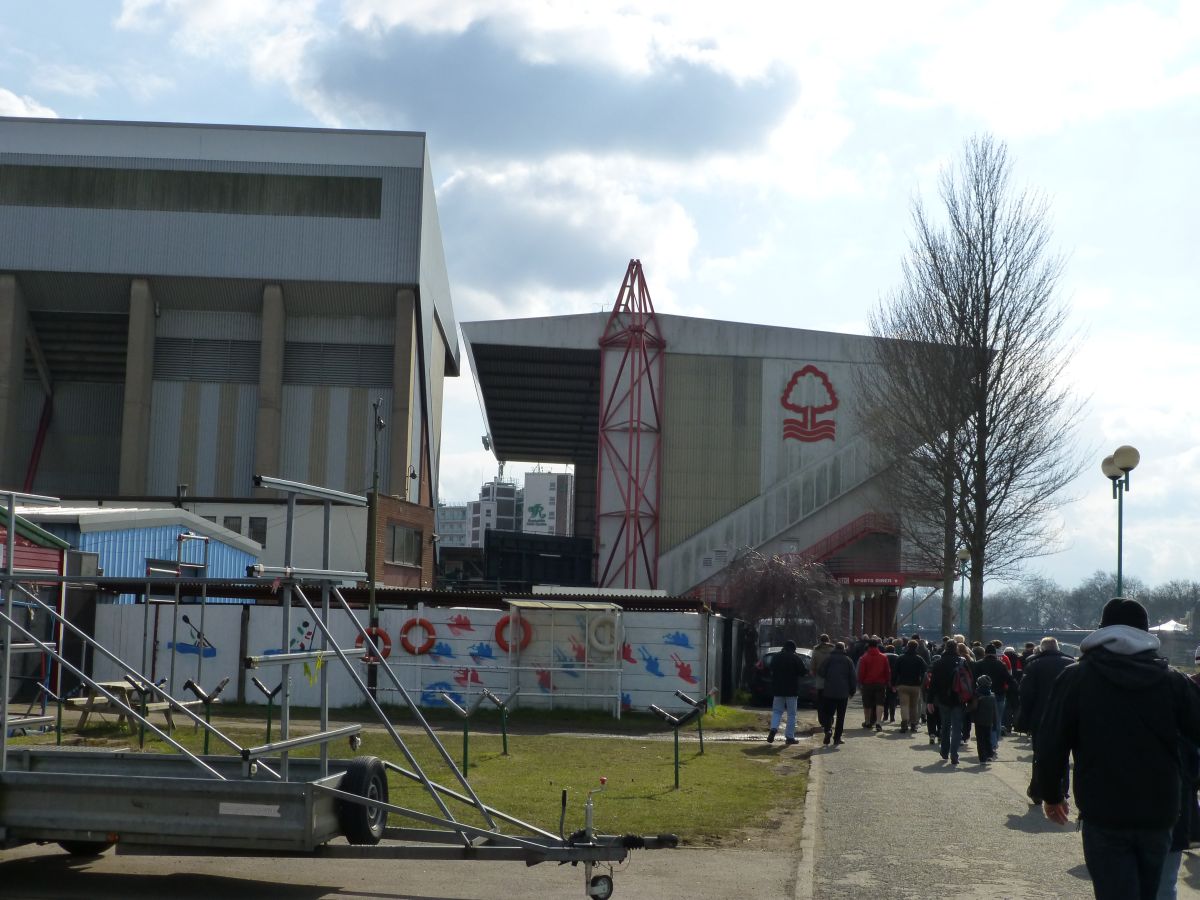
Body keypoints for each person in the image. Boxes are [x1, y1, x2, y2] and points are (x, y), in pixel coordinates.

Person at [1037, 598, 1200, 900]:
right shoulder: (1172, 681)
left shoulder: (1077, 677)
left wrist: (1051, 793)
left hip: (1104, 808)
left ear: (1102, 629)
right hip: (1159, 809)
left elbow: (1051, 740)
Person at [1018, 636, 1074, 801]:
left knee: (1040, 753)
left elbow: (1026, 693)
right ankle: (1063, 789)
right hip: (1066, 714)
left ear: (1042, 649)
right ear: (1057, 647)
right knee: (1064, 753)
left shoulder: (1034, 665)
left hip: (1040, 715)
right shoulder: (1070, 664)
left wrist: (1025, 716)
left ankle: (1037, 789)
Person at [928, 642, 972, 765]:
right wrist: (969, 699)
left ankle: (944, 751)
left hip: (943, 699)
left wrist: (930, 701)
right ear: (957, 648)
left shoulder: (938, 663)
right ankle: (954, 754)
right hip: (959, 699)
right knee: (957, 728)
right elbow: (969, 681)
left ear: (946, 648)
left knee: (945, 726)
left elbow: (933, 684)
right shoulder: (962, 661)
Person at [973, 644, 1013, 755]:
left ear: (985, 653)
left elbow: (973, 680)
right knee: (997, 720)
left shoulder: (978, 664)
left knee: (982, 721)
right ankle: (994, 744)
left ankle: (985, 744)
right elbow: (1009, 679)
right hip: (999, 694)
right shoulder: (1001, 664)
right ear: (995, 654)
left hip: (981, 697)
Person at [765, 640, 806, 746]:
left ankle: (773, 729)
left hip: (778, 689)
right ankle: (789, 737)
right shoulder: (795, 658)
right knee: (792, 714)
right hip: (792, 690)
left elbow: (770, 668)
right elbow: (803, 671)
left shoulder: (776, 657)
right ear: (793, 649)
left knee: (777, 711)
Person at [817, 641, 857, 746]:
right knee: (840, 716)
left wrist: (828, 678)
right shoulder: (848, 661)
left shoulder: (828, 659)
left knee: (828, 714)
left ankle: (828, 730)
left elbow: (821, 672)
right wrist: (852, 691)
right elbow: (852, 677)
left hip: (829, 691)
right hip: (843, 693)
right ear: (844, 649)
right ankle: (837, 738)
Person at [893, 639, 928, 735]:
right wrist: (920, 681)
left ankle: (904, 724)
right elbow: (925, 670)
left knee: (904, 705)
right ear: (916, 647)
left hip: (903, 684)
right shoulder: (919, 659)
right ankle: (913, 724)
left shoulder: (901, 658)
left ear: (907, 646)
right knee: (914, 705)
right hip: (915, 685)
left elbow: (895, 672)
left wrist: (893, 684)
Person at [857, 638, 891, 731]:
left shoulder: (864, 657)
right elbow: (887, 671)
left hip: (867, 683)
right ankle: (878, 723)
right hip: (880, 683)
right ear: (877, 646)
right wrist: (887, 681)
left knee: (867, 704)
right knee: (879, 703)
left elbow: (861, 672)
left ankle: (867, 722)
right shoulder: (883, 657)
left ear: (868, 646)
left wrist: (860, 682)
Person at [810, 633, 834, 735]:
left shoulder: (816, 651)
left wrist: (815, 676)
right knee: (831, 702)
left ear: (820, 640)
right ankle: (830, 720)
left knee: (820, 702)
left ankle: (822, 721)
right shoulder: (833, 651)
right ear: (829, 640)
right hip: (831, 681)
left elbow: (812, 667)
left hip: (820, 681)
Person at [972, 674, 997, 764]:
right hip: (989, 720)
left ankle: (982, 758)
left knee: (980, 739)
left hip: (979, 720)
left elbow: (973, 707)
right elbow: (995, 712)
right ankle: (989, 754)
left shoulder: (977, 695)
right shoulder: (992, 696)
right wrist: (995, 722)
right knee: (988, 738)